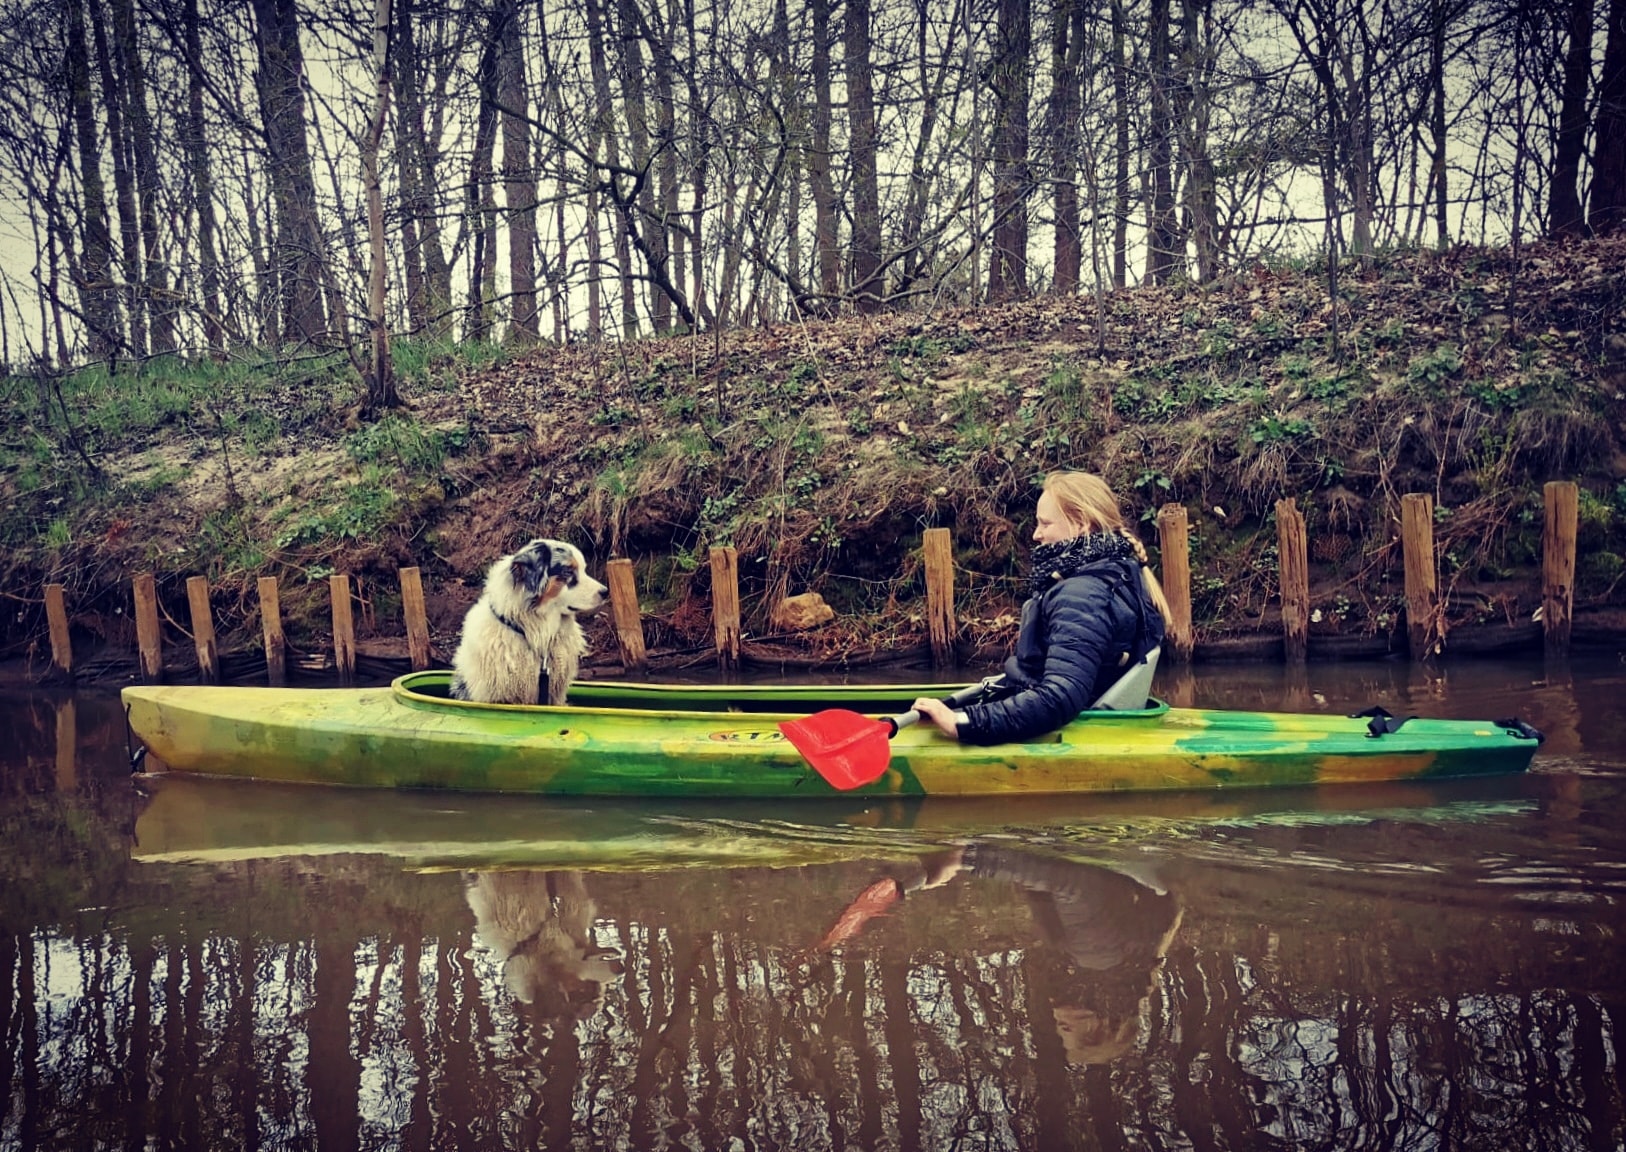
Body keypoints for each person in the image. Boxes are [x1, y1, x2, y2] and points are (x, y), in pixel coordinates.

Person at [913, 471, 1173, 744]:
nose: (1036, 534)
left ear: (1081, 524)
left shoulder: (1083, 594)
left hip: (1066, 728)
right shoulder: (1113, 573)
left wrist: (963, 723)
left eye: (1045, 524)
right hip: (1057, 711)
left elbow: (1059, 696)